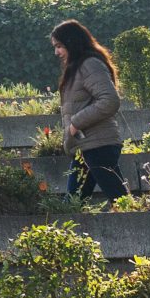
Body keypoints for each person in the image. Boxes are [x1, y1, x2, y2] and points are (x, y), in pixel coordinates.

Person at [52, 20, 125, 201]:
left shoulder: (89, 65)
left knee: (120, 200)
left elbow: (109, 101)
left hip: (98, 146)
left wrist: (75, 124)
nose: (56, 52)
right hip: (86, 146)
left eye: (59, 46)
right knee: (73, 203)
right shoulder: (78, 67)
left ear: (72, 42)